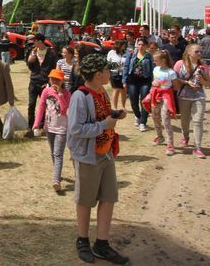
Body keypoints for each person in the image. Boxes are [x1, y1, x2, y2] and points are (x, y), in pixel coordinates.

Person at [68, 53, 129, 265]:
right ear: (97, 74)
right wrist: (105, 125)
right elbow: (76, 129)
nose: (110, 74)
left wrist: (114, 114)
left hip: (106, 152)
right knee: (85, 200)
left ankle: (101, 244)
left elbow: (100, 114)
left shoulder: (101, 90)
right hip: (88, 156)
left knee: (108, 197)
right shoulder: (80, 96)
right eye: (106, 70)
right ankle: (82, 241)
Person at [32, 69, 70, 192]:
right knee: (53, 152)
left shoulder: (67, 93)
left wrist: (60, 95)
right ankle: (57, 173)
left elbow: (64, 110)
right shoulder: (46, 91)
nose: (54, 81)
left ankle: (56, 180)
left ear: (62, 80)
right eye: (52, 79)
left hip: (62, 128)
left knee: (58, 154)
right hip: (49, 127)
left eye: (57, 79)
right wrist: (37, 123)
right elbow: (41, 107)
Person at [174, 43, 210, 159]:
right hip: (184, 96)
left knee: (198, 121)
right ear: (189, 52)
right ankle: (185, 136)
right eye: (197, 51)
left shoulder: (204, 66)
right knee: (185, 120)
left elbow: (208, 84)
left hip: (199, 96)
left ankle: (198, 147)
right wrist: (186, 82)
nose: (200, 53)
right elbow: (174, 79)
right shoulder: (180, 64)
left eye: (201, 51)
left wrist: (202, 80)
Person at [26, 34, 59, 137]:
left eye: (35, 41)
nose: (33, 43)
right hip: (33, 81)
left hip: (45, 82)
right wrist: (30, 61)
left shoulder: (51, 52)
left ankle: (41, 126)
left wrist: (49, 82)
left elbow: (54, 68)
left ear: (40, 41)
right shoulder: (33, 51)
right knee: (31, 105)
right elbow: (31, 67)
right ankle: (30, 127)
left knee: (44, 105)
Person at [149, 50, 178, 156]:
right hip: (155, 95)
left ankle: (170, 144)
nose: (154, 62)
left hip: (166, 96)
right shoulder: (155, 69)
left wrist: (164, 87)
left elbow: (175, 87)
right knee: (155, 117)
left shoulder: (171, 72)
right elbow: (154, 81)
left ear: (163, 60)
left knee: (165, 119)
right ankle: (160, 136)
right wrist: (154, 84)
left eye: (156, 60)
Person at [122, 38, 153, 133]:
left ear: (146, 46)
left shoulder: (149, 56)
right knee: (133, 102)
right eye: (139, 44)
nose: (141, 46)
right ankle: (139, 116)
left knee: (144, 101)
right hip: (132, 81)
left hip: (145, 80)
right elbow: (126, 67)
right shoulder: (131, 54)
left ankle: (143, 122)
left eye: (143, 44)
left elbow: (152, 69)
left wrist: (153, 81)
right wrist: (124, 80)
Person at [106, 40, 127, 111]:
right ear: (119, 45)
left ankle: (123, 107)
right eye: (123, 45)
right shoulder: (111, 52)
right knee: (116, 90)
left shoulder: (125, 53)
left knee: (124, 90)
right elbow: (108, 63)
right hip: (114, 74)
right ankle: (114, 107)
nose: (124, 46)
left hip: (123, 74)